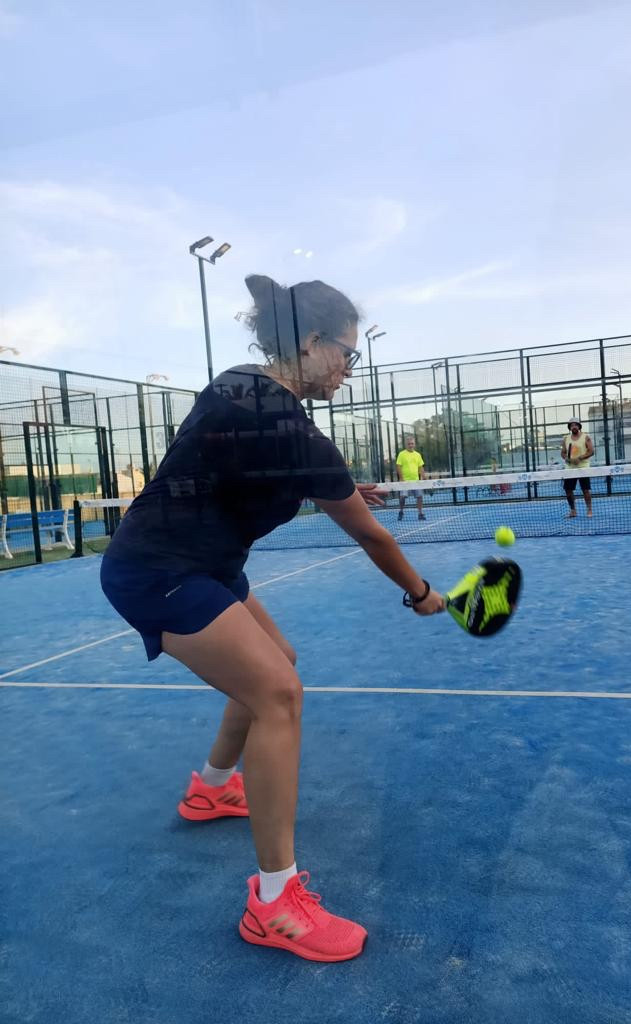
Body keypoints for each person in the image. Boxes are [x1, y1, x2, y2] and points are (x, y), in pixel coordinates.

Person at [100, 275, 444, 963]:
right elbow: (372, 536)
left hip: (200, 564)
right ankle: (274, 903)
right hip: (159, 572)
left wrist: (336, 485)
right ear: (312, 342)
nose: (350, 369)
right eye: (347, 353)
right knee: (279, 694)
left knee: (275, 665)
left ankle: (211, 789)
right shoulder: (296, 435)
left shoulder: (234, 385)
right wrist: (421, 592)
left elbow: (241, 463)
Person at [560, 418, 594, 518]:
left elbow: (591, 451)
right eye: (572, 425)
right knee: (568, 490)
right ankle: (573, 511)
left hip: (583, 467)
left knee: (585, 490)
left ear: (579, 426)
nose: (574, 427)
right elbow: (563, 453)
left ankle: (589, 509)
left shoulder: (586, 437)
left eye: (576, 425)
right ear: (570, 428)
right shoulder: (566, 439)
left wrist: (580, 458)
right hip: (570, 468)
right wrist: (567, 459)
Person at [395, 435, 426, 520]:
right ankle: (401, 511)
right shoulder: (401, 454)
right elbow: (398, 466)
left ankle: (420, 513)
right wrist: (401, 478)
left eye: (412, 443)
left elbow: (420, 467)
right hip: (405, 481)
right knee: (403, 497)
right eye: (409, 444)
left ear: (414, 444)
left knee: (419, 497)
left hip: (416, 481)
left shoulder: (418, 455)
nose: (410, 445)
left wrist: (423, 477)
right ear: (406, 445)